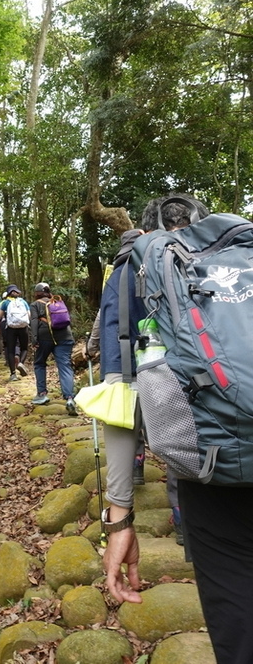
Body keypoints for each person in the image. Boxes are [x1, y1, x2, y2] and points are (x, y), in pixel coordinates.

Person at [97, 195, 253, 659]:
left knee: (239, 622)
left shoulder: (135, 268)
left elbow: (121, 392)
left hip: (214, 474)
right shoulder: (244, 252)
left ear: (147, 232)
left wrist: (120, 516)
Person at [28, 283, 77, 415]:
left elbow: (34, 321)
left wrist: (34, 339)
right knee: (65, 366)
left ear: (37, 293)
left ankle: (42, 394)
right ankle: (70, 398)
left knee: (39, 363)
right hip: (65, 336)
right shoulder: (58, 301)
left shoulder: (35, 305)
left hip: (45, 336)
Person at [0, 285, 30, 381]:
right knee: (24, 348)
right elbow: (29, 314)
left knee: (11, 350)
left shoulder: (5, 302)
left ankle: (13, 374)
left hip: (10, 328)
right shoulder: (23, 302)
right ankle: (21, 363)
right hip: (23, 328)